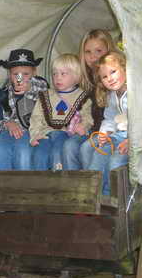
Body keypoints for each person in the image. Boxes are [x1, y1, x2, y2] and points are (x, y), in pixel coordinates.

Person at [63, 29, 115, 170]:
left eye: (99, 51)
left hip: (109, 130)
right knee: (69, 146)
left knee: (87, 148)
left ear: (108, 50)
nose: (93, 57)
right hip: (90, 128)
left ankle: (91, 183)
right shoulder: (83, 80)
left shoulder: (112, 78)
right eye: (88, 52)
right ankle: (73, 182)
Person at [30, 53, 92, 171]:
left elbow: (87, 117)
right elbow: (36, 118)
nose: (58, 78)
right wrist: (35, 135)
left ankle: (59, 180)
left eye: (63, 74)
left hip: (65, 135)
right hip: (45, 134)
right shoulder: (45, 96)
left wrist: (83, 126)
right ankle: (39, 181)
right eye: (55, 74)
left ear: (76, 76)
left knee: (57, 153)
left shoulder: (82, 97)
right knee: (39, 155)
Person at [80, 51, 128, 195]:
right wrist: (105, 133)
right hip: (118, 135)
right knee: (96, 153)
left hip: (136, 137)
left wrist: (132, 140)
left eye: (113, 72)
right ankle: (93, 193)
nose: (110, 78)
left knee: (115, 161)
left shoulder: (136, 93)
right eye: (105, 77)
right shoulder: (112, 95)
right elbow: (110, 118)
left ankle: (113, 198)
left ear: (125, 68)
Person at [0, 49, 48, 170]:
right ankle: (1, 179)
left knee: (22, 150)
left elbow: (46, 106)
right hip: (11, 129)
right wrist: (8, 123)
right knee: (0, 148)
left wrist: (28, 89)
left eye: (26, 74)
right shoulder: (5, 92)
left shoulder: (40, 85)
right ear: (9, 74)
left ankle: (25, 180)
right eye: (15, 74)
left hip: (33, 129)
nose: (20, 78)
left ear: (34, 72)